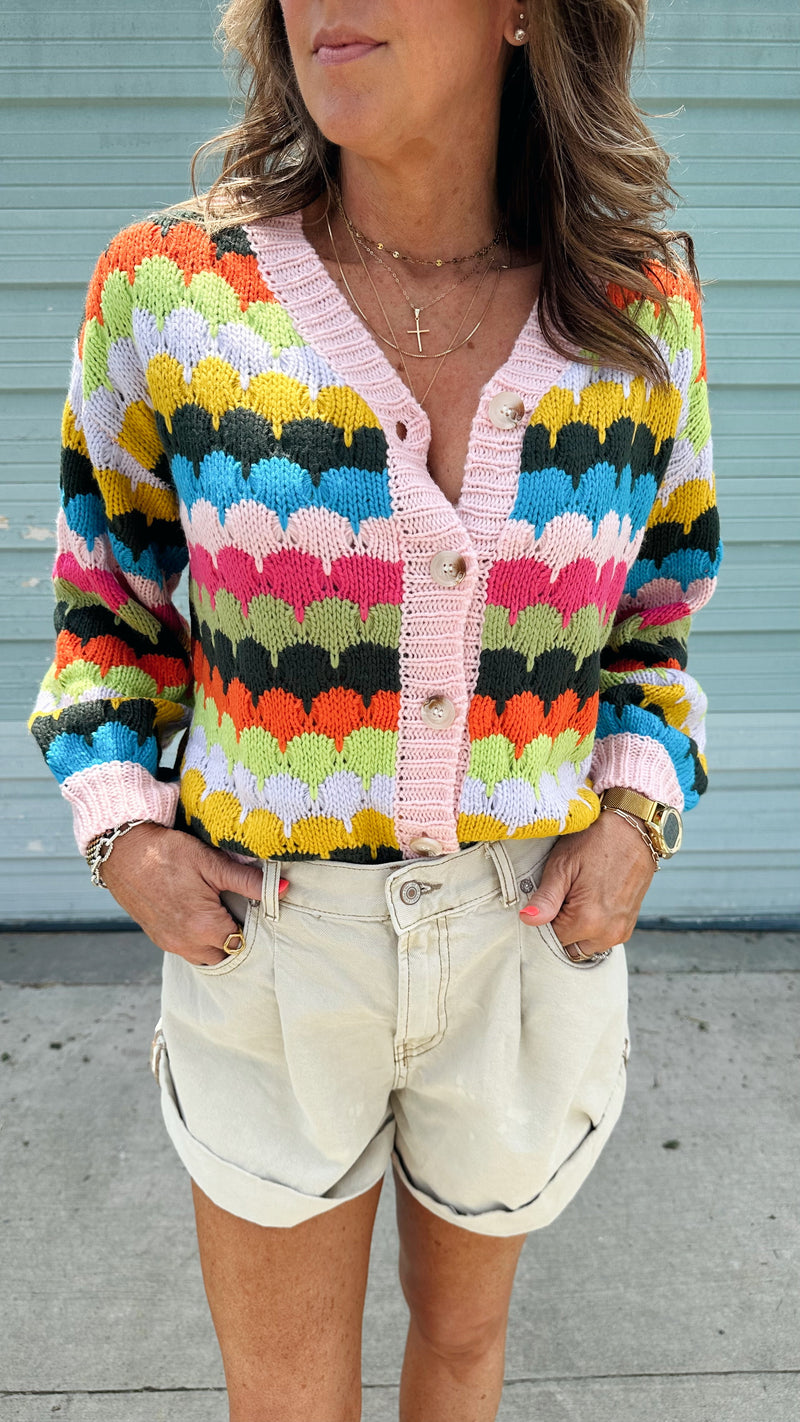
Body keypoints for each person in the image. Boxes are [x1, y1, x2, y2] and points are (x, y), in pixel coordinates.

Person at [29, 1, 721, 1418]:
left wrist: (638, 813)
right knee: (287, 1393)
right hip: (270, 940)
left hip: (522, 933)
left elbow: (654, 620)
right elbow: (105, 609)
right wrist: (124, 834)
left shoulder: (636, 306)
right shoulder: (174, 289)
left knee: (462, 1356)